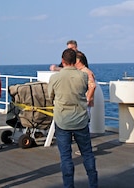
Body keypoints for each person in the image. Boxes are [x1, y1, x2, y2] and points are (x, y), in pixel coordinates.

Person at [48, 48, 98, 188]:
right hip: (81, 120)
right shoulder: (82, 76)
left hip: (63, 120)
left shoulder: (55, 78)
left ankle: (68, 185)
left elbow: (50, 96)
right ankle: (93, 184)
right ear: (74, 61)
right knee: (87, 154)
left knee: (66, 157)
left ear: (63, 61)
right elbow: (86, 90)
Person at [74, 51, 96, 156]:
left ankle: (85, 149)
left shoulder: (86, 72)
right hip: (81, 103)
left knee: (84, 126)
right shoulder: (80, 72)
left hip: (84, 104)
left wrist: (87, 99)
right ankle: (84, 148)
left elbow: (92, 86)